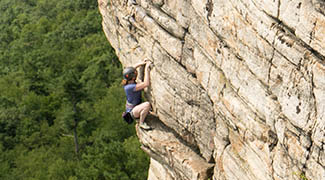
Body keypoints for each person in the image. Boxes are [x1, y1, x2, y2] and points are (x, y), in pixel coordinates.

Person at [122, 59, 152, 130]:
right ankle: (141, 123)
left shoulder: (127, 81)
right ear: (133, 77)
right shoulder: (130, 87)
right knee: (147, 104)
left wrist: (141, 63)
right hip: (133, 112)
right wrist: (147, 69)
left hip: (134, 108)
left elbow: (131, 69)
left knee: (146, 106)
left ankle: (142, 112)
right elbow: (146, 83)